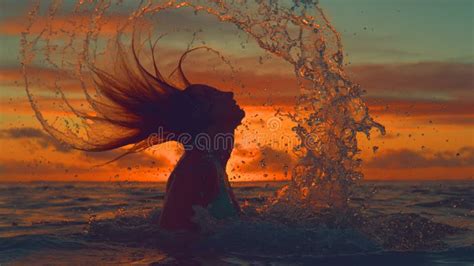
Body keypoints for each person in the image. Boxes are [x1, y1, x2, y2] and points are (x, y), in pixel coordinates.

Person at [85, 42, 245, 231]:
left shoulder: (213, 163)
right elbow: (173, 240)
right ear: (201, 115)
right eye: (213, 95)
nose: (229, 93)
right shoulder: (198, 166)